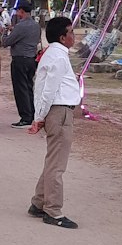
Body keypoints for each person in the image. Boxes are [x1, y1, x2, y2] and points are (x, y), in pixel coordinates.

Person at [27, 16, 81, 228]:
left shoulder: (55, 55)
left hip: (58, 111)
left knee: (53, 161)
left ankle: (39, 202)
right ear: (62, 37)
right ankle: (53, 210)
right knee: (57, 165)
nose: (73, 36)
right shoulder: (57, 57)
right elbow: (47, 90)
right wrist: (38, 117)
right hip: (60, 113)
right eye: (71, 33)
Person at [1, 0, 41, 127]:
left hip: (20, 59)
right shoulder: (36, 26)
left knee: (20, 89)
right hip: (31, 59)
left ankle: (25, 117)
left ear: (22, 11)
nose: (17, 14)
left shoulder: (20, 26)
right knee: (29, 87)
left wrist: (6, 32)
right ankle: (32, 113)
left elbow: (6, 42)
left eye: (18, 11)